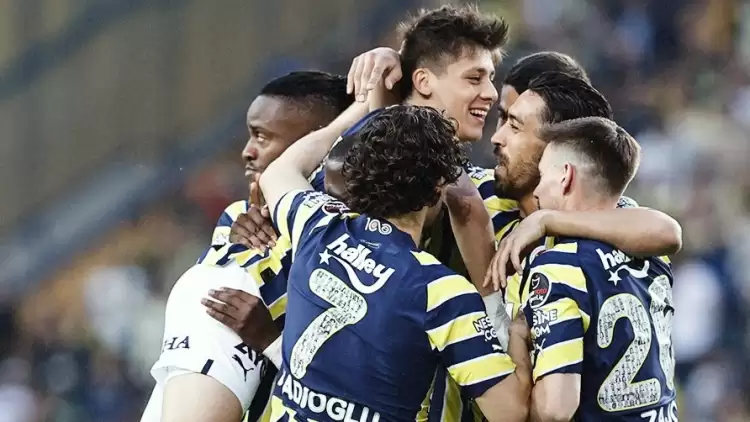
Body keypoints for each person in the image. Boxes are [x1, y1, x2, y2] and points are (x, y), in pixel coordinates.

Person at [257, 103, 532, 422]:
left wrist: (357, 110)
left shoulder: (318, 224)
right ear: (437, 188)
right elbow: (510, 413)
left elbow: (278, 172)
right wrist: (516, 331)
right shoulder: (442, 292)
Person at [140, 71, 354, 422]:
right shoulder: (239, 221)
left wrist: (273, 341)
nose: (247, 152)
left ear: (317, 143)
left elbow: (358, 397)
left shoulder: (357, 244)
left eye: (262, 136)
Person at [521, 117, 676, 421]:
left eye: (542, 175)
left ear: (566, 176)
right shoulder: (654, 252)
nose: (536, 189)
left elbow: (555, 410)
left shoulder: (559, 266)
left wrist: (516, 336)